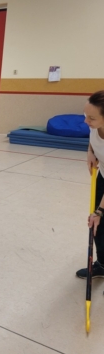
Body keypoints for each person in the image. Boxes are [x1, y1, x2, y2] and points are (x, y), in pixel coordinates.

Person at [77, 90, 104, 279]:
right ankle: (102, 265)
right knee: (98, 226)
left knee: (99, 216)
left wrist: (100, 211)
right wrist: (90, 152)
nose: (87, 121)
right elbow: (93, 140)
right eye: (86, 115)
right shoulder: (94, 125)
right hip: (103, 175)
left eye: (91, 118)